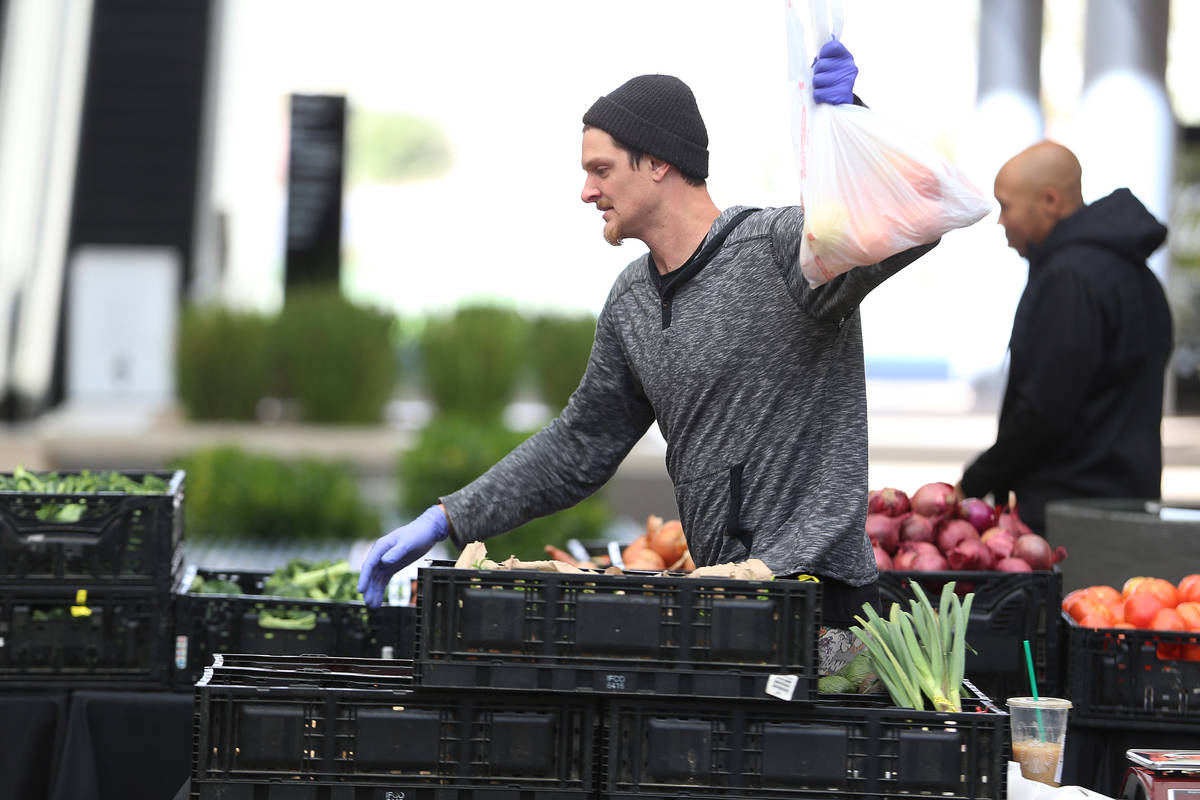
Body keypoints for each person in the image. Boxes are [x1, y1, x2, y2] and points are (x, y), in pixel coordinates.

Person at [358, 41, 941, 671]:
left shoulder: (779, 252)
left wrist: (851, 118)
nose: (586, 191)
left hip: (820, 606)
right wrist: (446, 517)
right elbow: (580, 444)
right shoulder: (632, 299)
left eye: (601, 170)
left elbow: (918, 212)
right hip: (723, 603)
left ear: (658, 163)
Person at [958, 140, 1173, 535]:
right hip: (1125, 504)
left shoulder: (1069, 279)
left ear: (1050, 200)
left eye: (1006, 205)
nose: (1001, 221)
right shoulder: (1133, 273)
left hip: (1068, 515)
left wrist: (971, 485)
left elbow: (1044, 409)